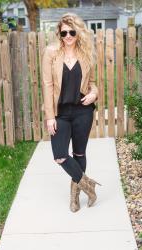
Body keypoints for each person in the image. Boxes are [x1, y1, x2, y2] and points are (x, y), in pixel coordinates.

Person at [42, 13, 101, 213]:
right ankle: (88, 185)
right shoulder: (51, 52)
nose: (68, 35)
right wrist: (50, 116)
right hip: (60, 113)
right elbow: (47, 86)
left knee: (79, 153)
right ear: (59, 33)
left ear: (78, 33)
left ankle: (75, 196)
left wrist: (94, 93)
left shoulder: (86, 54)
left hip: (82, 111)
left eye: (72, 31)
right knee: (60, 155)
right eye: (64, 32)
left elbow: (92, 83)